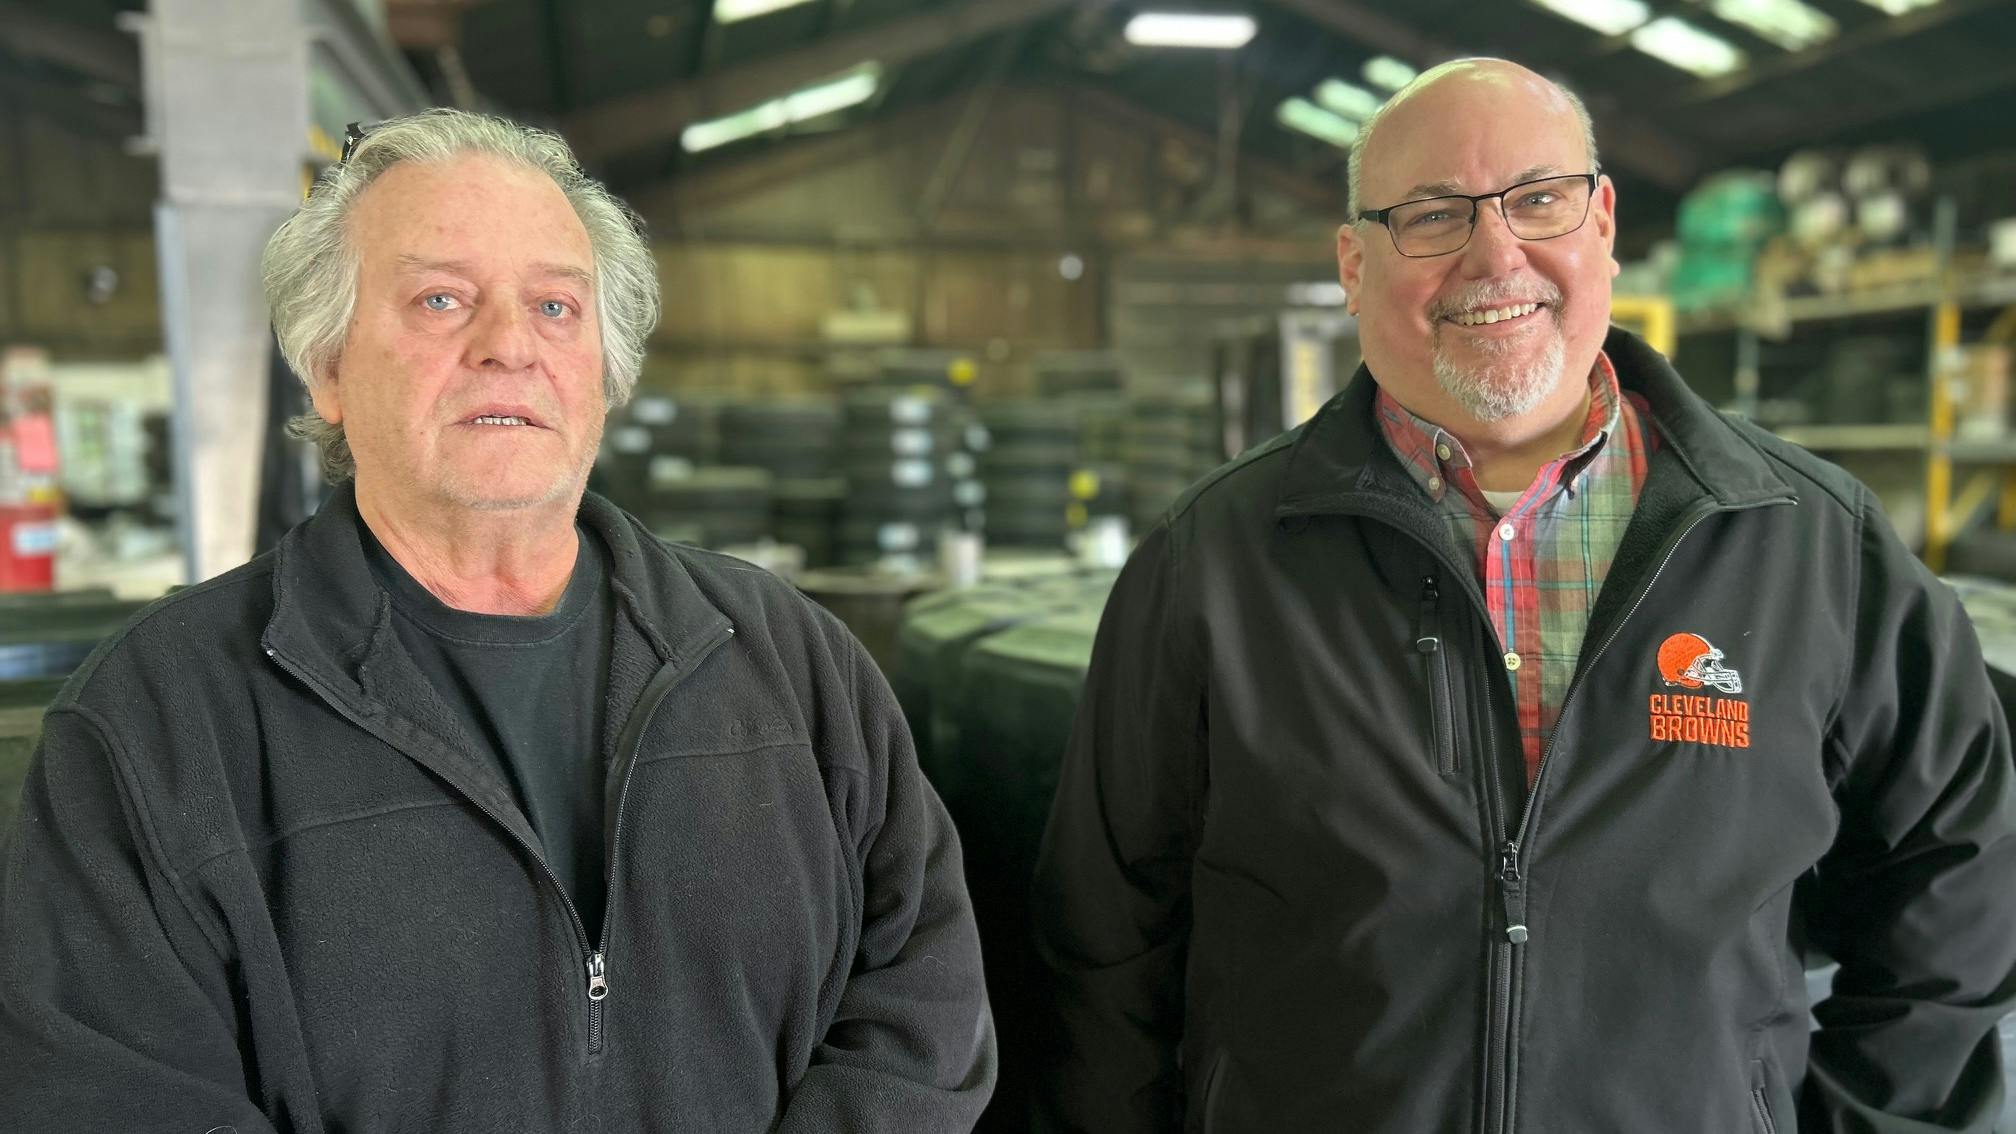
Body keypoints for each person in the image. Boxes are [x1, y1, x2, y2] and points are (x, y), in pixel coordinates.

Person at [1033, 59, 2016, 1133]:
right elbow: (1102, 948)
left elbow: (1956, 895)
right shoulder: (1207, 566)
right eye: (1433, 215)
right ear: (1355, 265)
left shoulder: (1818, 549)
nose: (1495, 254)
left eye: (1536, 199)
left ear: (1601, 221)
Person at [0, 109, 994, 1132]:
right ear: (329, 368)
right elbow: (110, 1098)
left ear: (605, 373)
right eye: (441, 300)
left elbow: (924, 1000)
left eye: (557, 307)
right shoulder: (156, 727)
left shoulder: (791, 662)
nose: (508, 346)